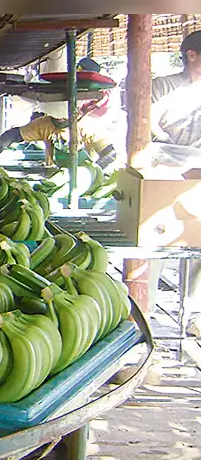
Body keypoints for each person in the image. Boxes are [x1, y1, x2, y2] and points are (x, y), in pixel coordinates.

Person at [146, 31, 201, 332]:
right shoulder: (163, 87)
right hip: (163, 179)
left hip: (198, 182)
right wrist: (173, 153)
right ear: (191, 55)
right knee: (155, 246)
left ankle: (193, 314)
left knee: (199, 248)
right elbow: (147, 127)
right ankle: (146, 313)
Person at [151, 30, 201, 148]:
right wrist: (170, 147)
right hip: (169, 159)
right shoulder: (163, 86)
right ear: (192, 55)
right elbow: (148, 123)